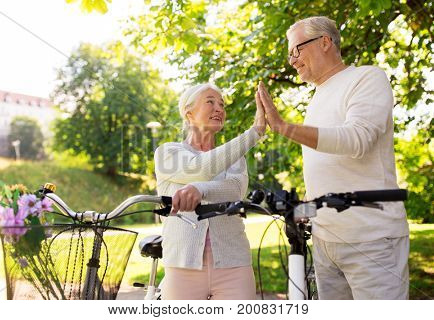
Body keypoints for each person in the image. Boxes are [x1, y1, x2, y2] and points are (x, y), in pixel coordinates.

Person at [257, 16, 409, 299]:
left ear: (324, 42)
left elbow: (357, 139)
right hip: (326, 240)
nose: (292, 61)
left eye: (296, 50)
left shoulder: (366, 77)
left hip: (370, 238)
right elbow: (330, 167)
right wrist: (308, 206)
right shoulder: (316, 98)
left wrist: (283, 127)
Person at [154, 83, 266, 300]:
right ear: (189, 114)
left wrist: (200, 189)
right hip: (182, 266)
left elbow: (234, 191)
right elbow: (201, 167)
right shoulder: (168, 152)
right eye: (210, 102)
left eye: (222, 105)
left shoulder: (235, 156)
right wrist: (255, 132)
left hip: (234, 264)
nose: (219, 109)